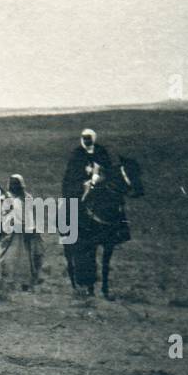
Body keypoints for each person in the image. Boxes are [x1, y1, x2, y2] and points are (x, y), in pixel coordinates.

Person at [61, 127, 130, 296]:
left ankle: (120, 230)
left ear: (93, 138)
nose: (86, 141)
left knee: (115, 201)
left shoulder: (101, 151)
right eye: (84, 138)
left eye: (89, 138)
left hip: (99, 183)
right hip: (81, 185)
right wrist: (86, 176)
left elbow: (108, 168)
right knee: (77, 203)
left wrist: (99, 176)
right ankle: (74, 227)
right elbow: (71, 174)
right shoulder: (77, 154)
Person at [0, 174, 45, 289]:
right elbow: (1, 215)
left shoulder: (27, 198)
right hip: (9, 233)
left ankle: (26, 283)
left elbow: (29, 215)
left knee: (26, 260)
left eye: (16, 185)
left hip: (24, 234)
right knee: (8, 259)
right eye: (12, 184)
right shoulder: (4, 199)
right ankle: (9, 281)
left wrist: (30, 229)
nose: (14, 187)